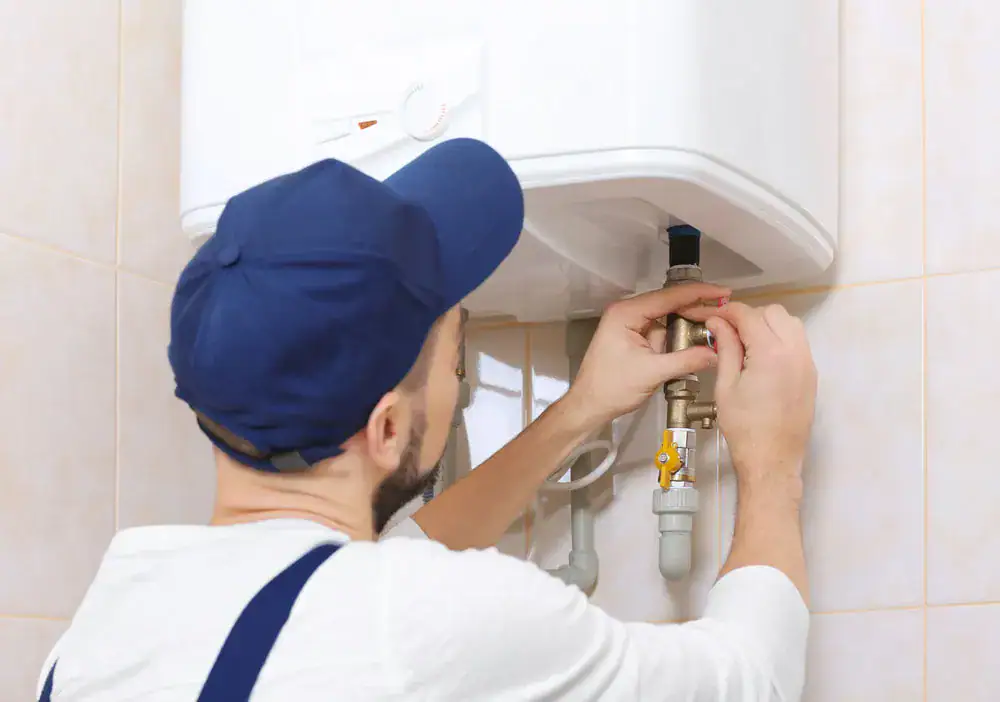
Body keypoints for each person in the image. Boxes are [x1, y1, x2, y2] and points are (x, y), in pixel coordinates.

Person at [37, 138, 817, 701]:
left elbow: (362, 581)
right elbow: (750, 682)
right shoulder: (429, 625)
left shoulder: (111, 620)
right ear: (384, 428)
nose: (457, 372)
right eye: (456, 349)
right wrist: (771, 461)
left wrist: (580, 411)